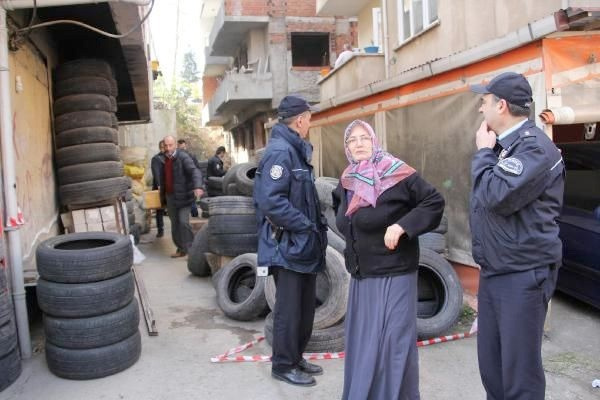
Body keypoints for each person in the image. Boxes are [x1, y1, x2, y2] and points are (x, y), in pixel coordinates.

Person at [332, 120, 444, 400]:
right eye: (351, 140)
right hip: (362, 277)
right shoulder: (347, 181)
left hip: (395, 275)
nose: (358, 144)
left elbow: (433, 201)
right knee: (365, 344)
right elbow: (342, 215)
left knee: (392, 342)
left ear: (374, 141)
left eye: (363, 138)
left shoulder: (398, 174)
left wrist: (402, 226)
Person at [469, 72, 564, 399]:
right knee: (493, 367)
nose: (481, 110)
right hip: (496, 271)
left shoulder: (534, 148)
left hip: (522, 275)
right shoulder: (505, 147)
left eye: (484, 102)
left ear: (502, 105)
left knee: (519, 373)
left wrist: (483, 152)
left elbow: (496, 195)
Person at [253, 95, 328, 387]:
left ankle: (295, 357)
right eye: (309, 118)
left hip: (302, 245)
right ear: (299, 120)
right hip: (287, 245)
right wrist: (305, 226)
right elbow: (271, 202)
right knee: (289, 310)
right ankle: (283, 365)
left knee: (304, 309)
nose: (310, 122)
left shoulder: (295, 151)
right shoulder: (280, 153)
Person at [160, 135, 204, 258]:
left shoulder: (183, 157)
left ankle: (192, 251)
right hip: (170, 197)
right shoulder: (164, 158)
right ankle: (181, 249)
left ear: (175, 145)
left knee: (184, 223)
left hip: (184, 197)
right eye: (166, 146)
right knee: (174, 224)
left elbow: (195, 171)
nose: (168, 148)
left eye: (170, 145)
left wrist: (198, 186)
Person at [176, 138, 201, 217]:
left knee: (191, 198)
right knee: (191, 198)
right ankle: (194, 214)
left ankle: (193, 213)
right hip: (184, 182)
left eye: (183, 147)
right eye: (181, 148)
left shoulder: (190, 155)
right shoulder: (177, 156)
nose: (182, 149)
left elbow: (196, 168)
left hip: (188, 181)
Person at [150, 140, 166, 237]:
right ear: (160, 147)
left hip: (169, 187)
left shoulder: (170, 158)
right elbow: (156, 173)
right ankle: (160, 230)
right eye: (163, 146)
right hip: (159, 187)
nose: (165, 148)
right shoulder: (156, 159)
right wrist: (159, 185)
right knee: (159, 210)